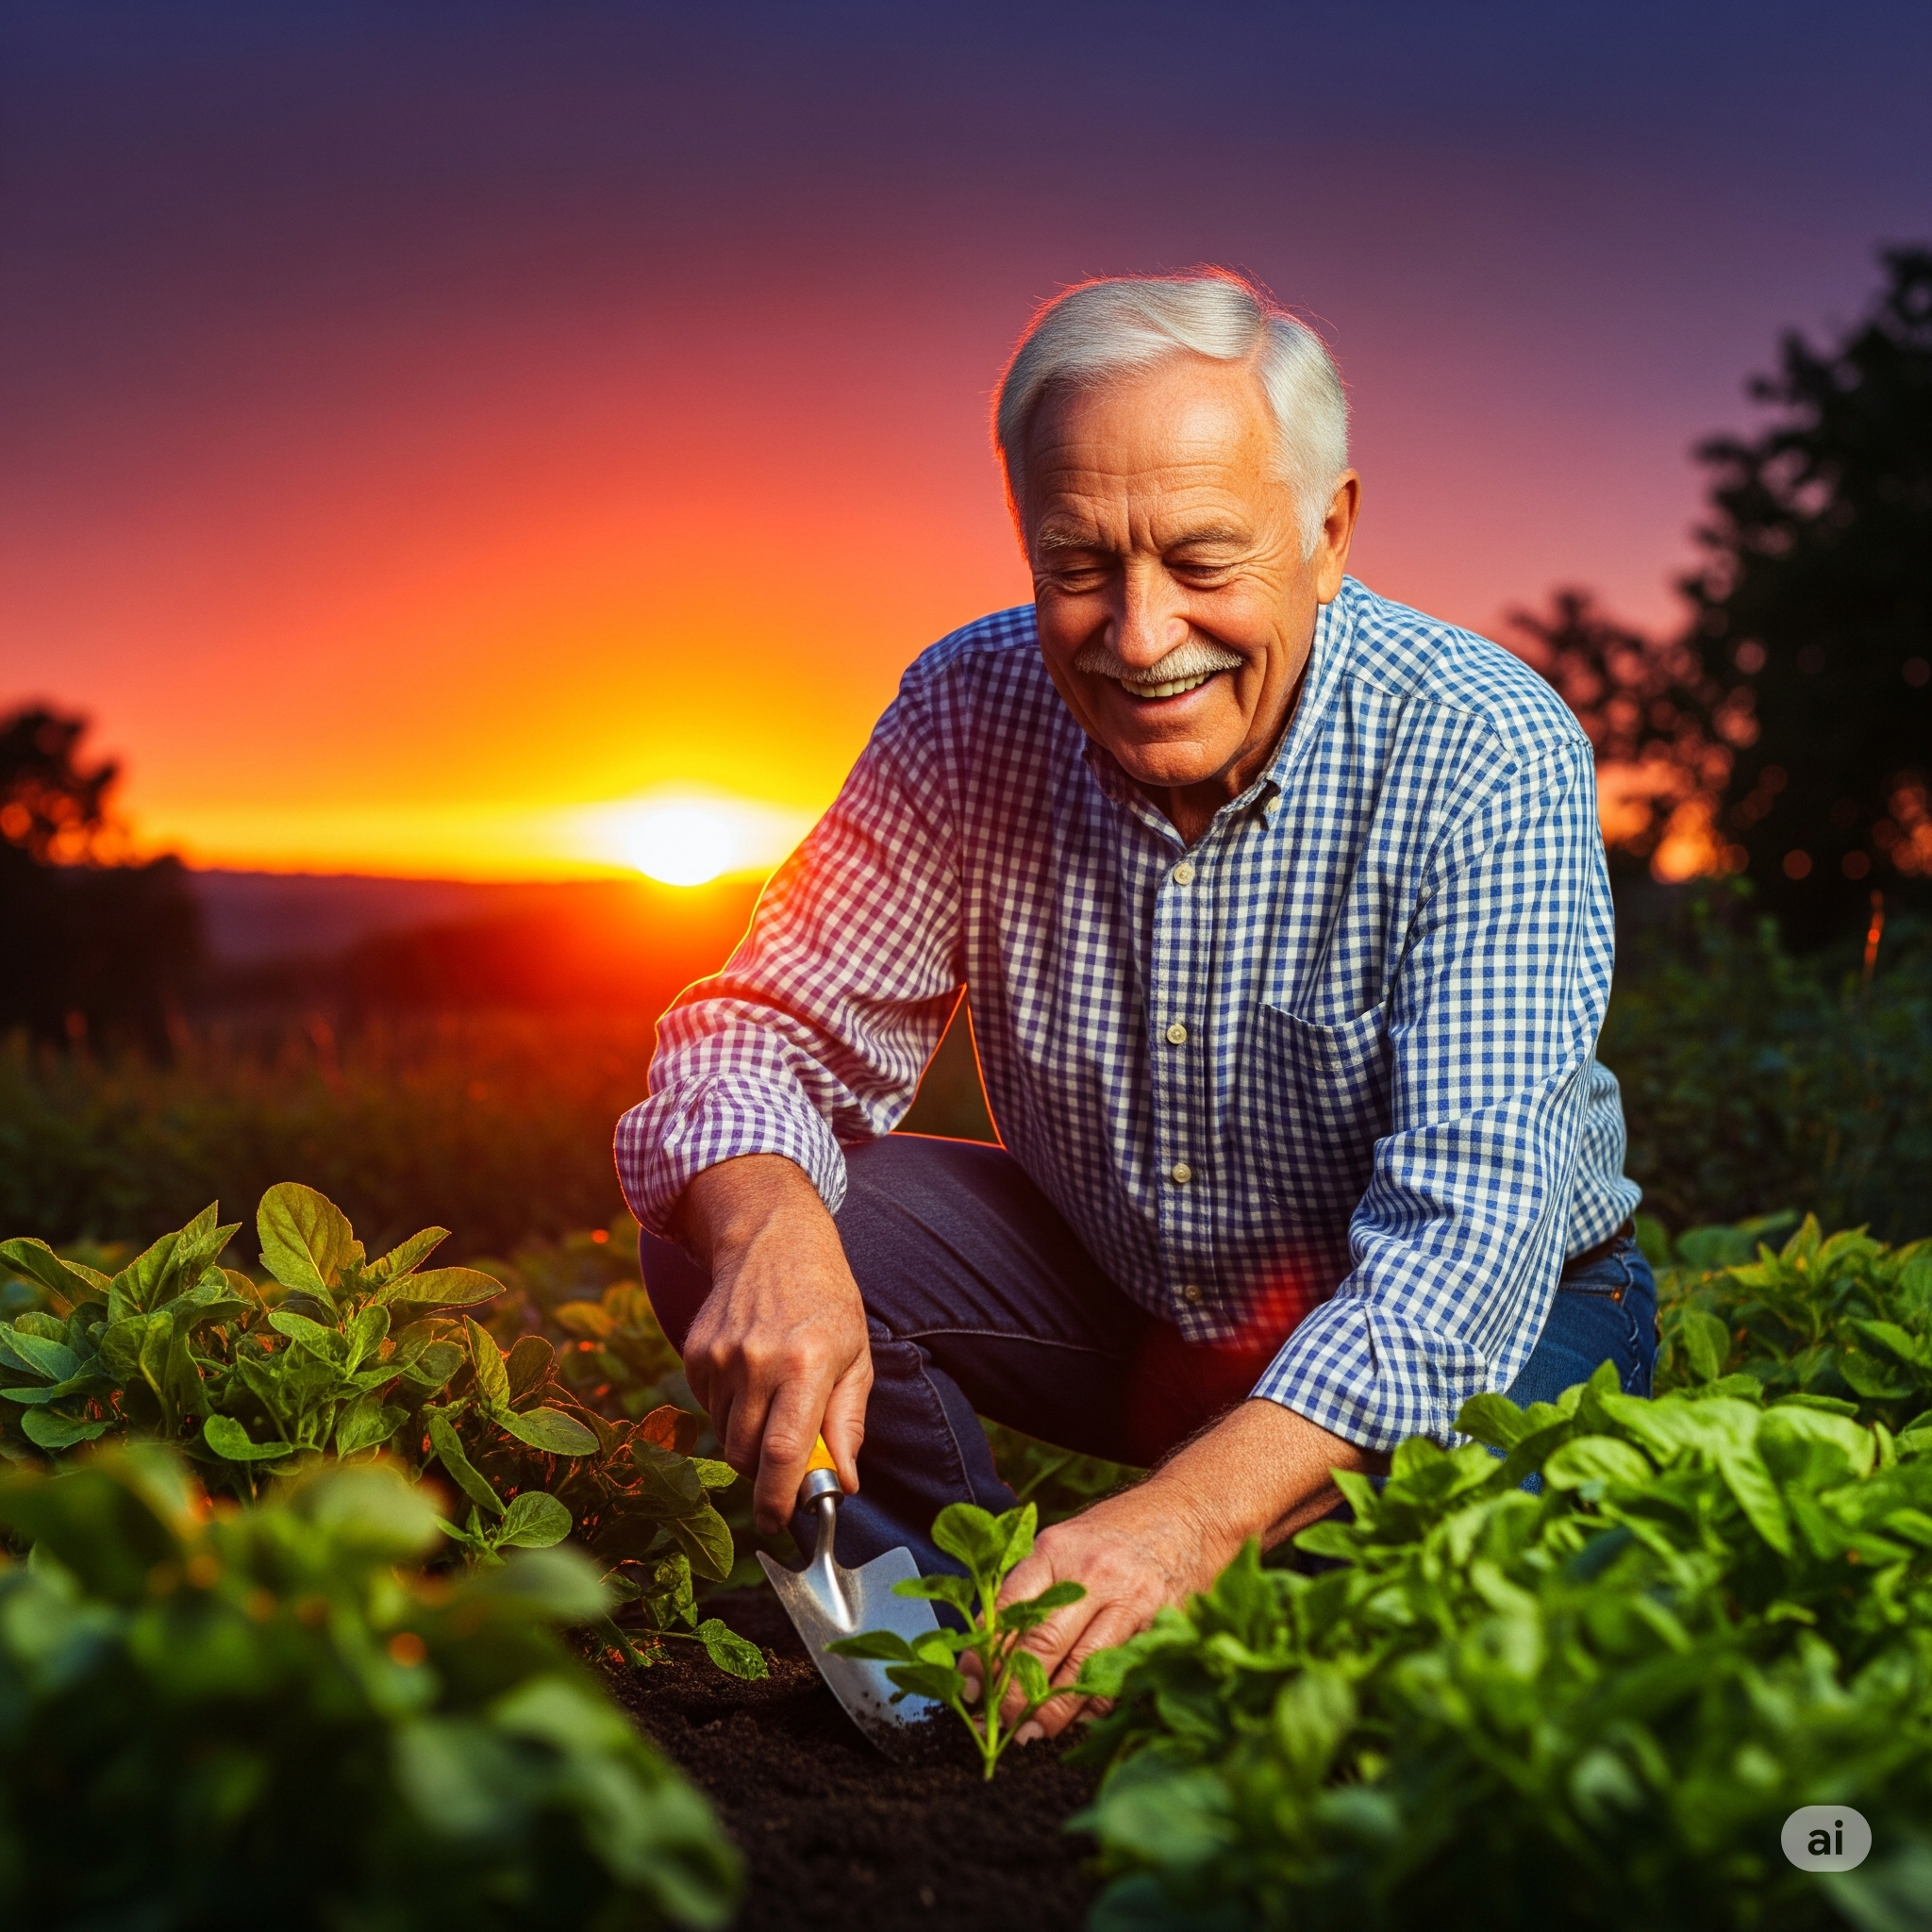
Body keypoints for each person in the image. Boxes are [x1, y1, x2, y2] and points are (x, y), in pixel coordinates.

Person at [617, 271, 1652, 1740]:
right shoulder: (970, 708)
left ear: (1328, 532)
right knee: (733, 1221)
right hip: (1136, 1298)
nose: (1141, 633)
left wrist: (1185, 1522)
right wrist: (771, 1227)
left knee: (1407, 1676)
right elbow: (759, 1027)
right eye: (1079, 564)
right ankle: (952, 1669)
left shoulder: (1483, 747)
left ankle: (1169, 1579)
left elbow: (1465, 1242)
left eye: (1205, 560)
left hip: (1505, 1319)